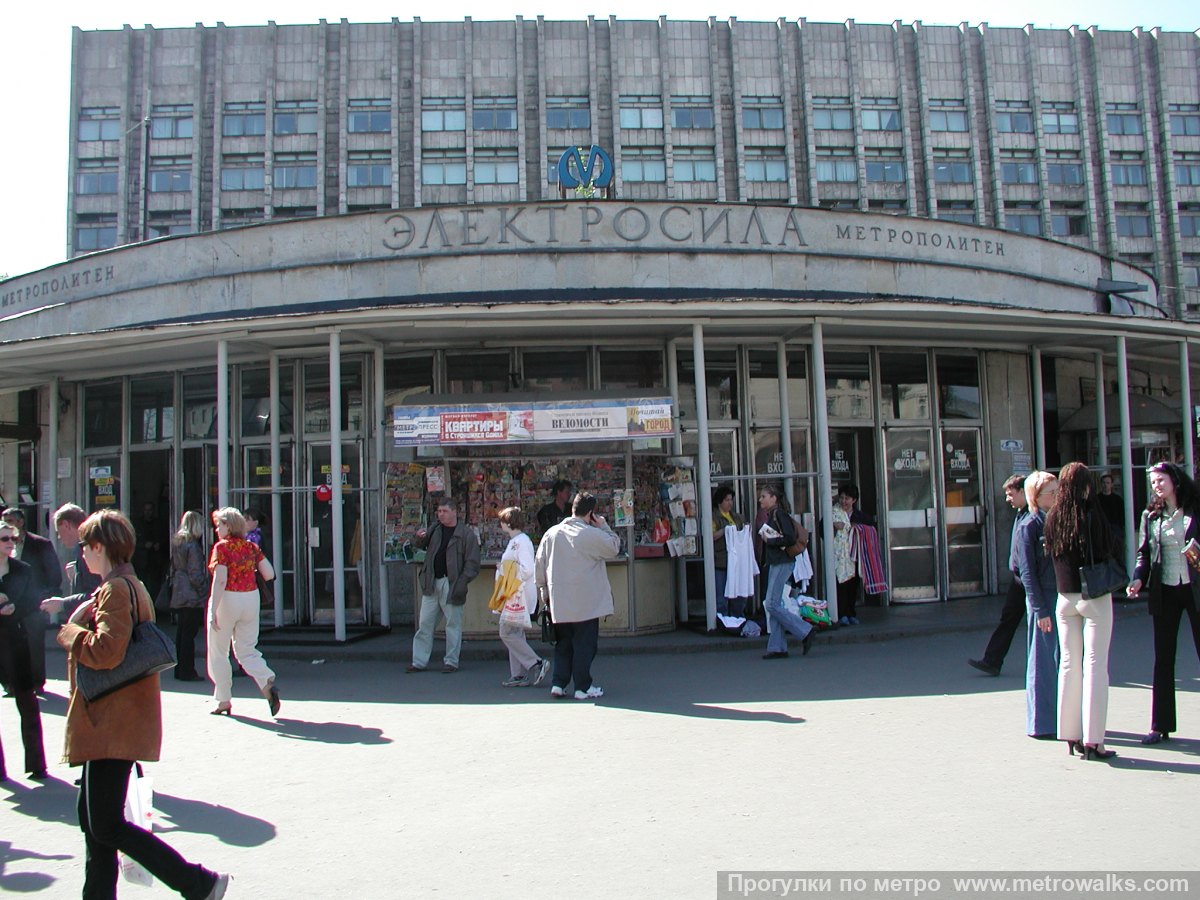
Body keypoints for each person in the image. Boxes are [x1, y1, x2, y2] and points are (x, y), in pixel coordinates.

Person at [56, 509, 229, 899]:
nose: (82, 552)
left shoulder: (118, 590)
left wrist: (71, 634)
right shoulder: (124, 585)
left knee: (105, 825)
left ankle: (198, 882)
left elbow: (105, 652)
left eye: (85, 545)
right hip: (115, 722)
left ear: (100, 547)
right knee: (94, 824)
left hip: (112, 724)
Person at [1044, 461, 1118, 761]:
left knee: (1068, 665)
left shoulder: (1053, 518)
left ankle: (1070, 734)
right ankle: (1094, 740)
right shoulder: (1091, 516)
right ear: (1086, 487)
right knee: (1095, 666)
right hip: (1094, 596)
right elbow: (1108, 547)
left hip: (1065, 598)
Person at [1127, 461, 1200, 745]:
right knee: (1163, 658)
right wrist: (1137, 579)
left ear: (1174, 480)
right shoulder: (1151, 515)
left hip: (1194, 588)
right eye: (1153, 483)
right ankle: (1160, 725)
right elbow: (1144, 553)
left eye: (1160, 481)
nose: (1156, 486)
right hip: (1166, 589)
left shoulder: (1195, 508)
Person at [535, 492, 621, 699]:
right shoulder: (590, 534)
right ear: (590, 513)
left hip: (559, 600)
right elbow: (614, 547)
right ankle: (582, 686)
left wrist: (543, 593)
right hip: (586, 601)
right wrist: (603, 525)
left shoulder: (552, 534)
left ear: (572, 508)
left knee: (563, 643)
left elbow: (540, 565)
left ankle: (558, 682)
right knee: (584, 644)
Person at [206, 507, 279, 717]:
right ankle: (266, 681)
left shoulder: (222, 548)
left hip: (228, 598)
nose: (217, 528)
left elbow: (220, 580)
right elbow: (269, 574)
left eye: (220, 524)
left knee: (219, 651)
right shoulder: (251, 547)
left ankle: (223, 700)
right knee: (247, 649)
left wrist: (213, 609)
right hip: (251, 598)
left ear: (229, 526)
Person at [408, 497, 481, 674]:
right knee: (425, 623)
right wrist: (418, 538)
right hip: (432, 582)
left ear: (454, 512)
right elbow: (418, 546)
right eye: (439, 511)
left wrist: (462, 582)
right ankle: (419, 661)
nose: (441, 515)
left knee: (452, 624)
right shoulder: (435, 529)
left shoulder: (466, 534)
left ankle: (451, 661)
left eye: (445, 511)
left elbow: (472, 563)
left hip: (452, 583)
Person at [0, 519, 48, 781]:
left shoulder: (22, 570)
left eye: (13, 538)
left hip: (15, 640)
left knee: (27, 701)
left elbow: (33, 601)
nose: (11, 543)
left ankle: (37, 764)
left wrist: (14, 608)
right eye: (4, 539)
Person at [1014, 471, 1060, 739]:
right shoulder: (1029, 526)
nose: (1055, 497)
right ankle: (1041, 722)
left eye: (1057, 491)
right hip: (1042, 599)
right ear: (1035, 496)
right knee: (1042, 661)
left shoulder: (1055, 521)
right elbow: (1027, 573)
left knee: (1059, 660)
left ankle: (1060, 716)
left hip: (1059, 595)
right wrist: (1040, 609)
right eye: (1050, 493)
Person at [969, 475, 1028, 676]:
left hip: (1030, 578)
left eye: (1011, 494)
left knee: (1047, 621)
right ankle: (992, 660)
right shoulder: (1021, 514)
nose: (1007, 499)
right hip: (1019, 578)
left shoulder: (1033, 516)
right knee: (1009, 618)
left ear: (1023, 492)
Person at [2, 507, 61, 695]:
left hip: (33, 604)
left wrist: (42, 598)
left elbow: (54, 575)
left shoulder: (40, 544)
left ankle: (36, 683)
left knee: (34, 644)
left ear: (20, 523)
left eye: (10, 521)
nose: (6, 525)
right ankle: (12, 683)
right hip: (8, 605)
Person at [493, 507, 550, 688]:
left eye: (502, 520)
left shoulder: (520, 542)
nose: (500, 524)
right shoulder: (517, 541)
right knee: (515, 633)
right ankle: (517, 674)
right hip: (515, 593)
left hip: (518, 594)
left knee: (506, 632)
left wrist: (504, 569)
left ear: (508, 522)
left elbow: (526, 569)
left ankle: (535, 663)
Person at [758, 485, 814, 660]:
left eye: (763, 496)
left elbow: (789, 538)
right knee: (774, 604)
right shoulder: (775, 514)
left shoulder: (779, 514)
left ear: (773, 498)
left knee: (771, 604)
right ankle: (777, 647)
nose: (760, 500)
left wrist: (770, 540)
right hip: (778, 562)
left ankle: (804, 631)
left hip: (782, 562)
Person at [42, 503, 104, 621]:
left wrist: (63, 604)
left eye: (58, 532)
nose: (59, 537)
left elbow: (95, 593)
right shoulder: (86, 546)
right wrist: (76, 577)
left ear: (66, 525)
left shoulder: (85, 549)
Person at [170, 512, 209, 683]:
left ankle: (180, 669)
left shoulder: (178, 543)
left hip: (179, 589)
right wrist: (204, 589)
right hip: (191, 594)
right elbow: (195, 574)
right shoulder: (193, 546)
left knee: (182, 633)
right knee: (189, 634)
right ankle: (188, 670)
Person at [832, 483, 870, 626]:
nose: (843, 501)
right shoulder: (833, 513)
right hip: (838, 556)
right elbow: (822, 530)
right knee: (840, 585)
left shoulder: (860, 516)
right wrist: (833, 526)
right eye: (841, 498)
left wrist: (857, 529)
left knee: (852, 586)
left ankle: (851, 612)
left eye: (847, 498)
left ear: (854, 500)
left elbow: (869, 531)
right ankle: (841, 614)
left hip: (854, 556)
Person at [711, 486, 748, 617]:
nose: (730, 503)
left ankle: (738, 616)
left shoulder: (737, 517)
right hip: (721, 560)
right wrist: (726, 530)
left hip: (736, 560)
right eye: (727, 500)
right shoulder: (714, 517)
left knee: (738, 593)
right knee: (721, 594)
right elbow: (711, 536)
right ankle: (723, 618)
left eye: (731, 500)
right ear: (720, 501)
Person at [1097, 473, 1125, 538]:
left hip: (1115, 529)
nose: (1105, 485)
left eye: (1108, 483)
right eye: (1103, 483)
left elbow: (1122, 515)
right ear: (1101, 484)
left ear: (1112, 484)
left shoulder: (1117, 499)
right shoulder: (1096, 499)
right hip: (1101, 527)